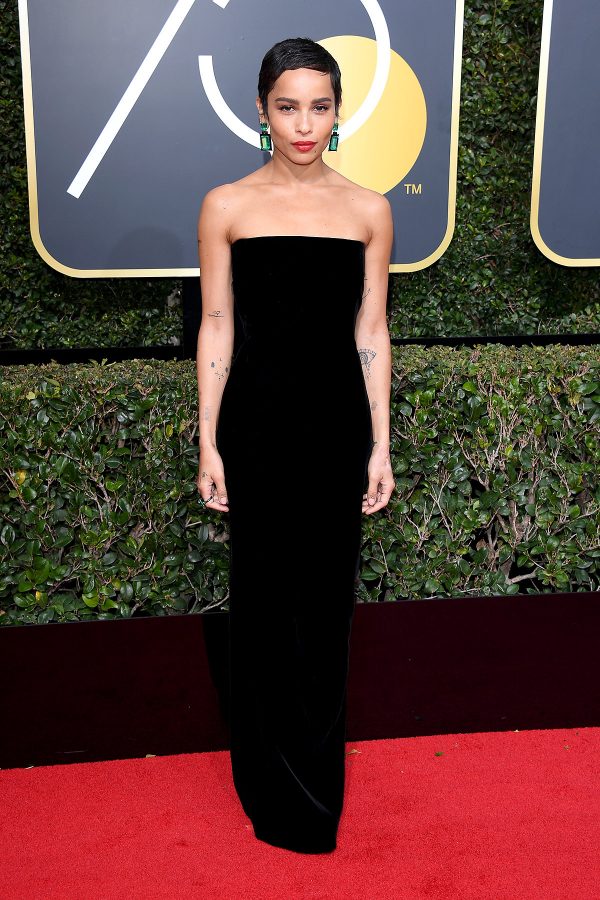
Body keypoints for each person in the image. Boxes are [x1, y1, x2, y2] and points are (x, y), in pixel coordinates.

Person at [195, 36, 395, 854]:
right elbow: (216, 324)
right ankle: (265, 774)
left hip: (336, 429)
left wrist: (381, 445)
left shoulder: (369, 209)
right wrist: (208, 442)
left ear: (338, 111)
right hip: (257, 430)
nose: (304, 124)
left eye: (318, 106)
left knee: (326, 609)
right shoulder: (227, 206)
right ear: (262, 111)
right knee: (264, 605)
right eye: (287, 107)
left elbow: (371, 330)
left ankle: (316, 788)